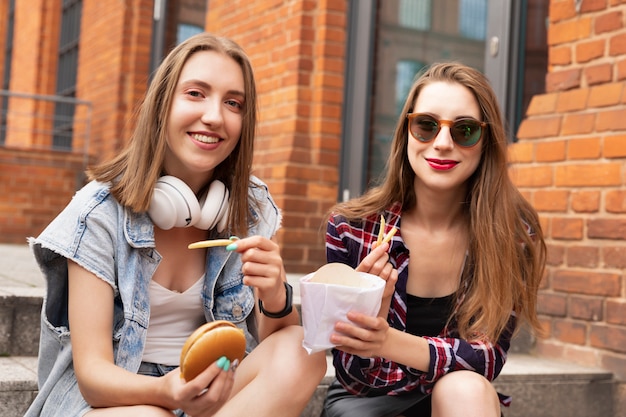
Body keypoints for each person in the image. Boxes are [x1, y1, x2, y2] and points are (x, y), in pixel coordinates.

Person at [25, 32, 327, 417]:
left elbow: (275, 344)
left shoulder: (248, 209)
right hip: (117, 402)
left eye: (233, 103)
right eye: (196, 94)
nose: (215, 116)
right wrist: (166, 392)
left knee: (302, 347)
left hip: (212, 394)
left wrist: (275, 296)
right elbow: (93, 376)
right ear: (163, 104)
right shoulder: (98, 212)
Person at [320, 62, 546, 417]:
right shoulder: (352, 227)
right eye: (426, 126)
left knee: (465, 389)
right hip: (367, 398)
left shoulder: (512, 234)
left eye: (465, 130)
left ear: (486, 142)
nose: (442, 144)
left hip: (462, 397)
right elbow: (350, 372)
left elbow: (486, 359)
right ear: (406, 132)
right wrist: (369, 316)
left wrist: (389, 340)